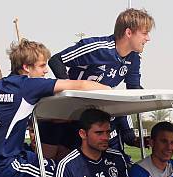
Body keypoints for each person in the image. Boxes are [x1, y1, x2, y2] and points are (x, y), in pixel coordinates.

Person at [0, 39, 108, 177]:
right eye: (42, 65)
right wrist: (111, 91)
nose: (46, 70)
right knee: (67, 171)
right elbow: (81, 85)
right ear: (26, 67)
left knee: (44, 159)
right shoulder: (28, 85)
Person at [44, 8, 154, 158]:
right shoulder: (98, 48)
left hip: (98, 113)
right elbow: (56, 61)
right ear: (129, 33)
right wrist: (71, 91)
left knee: (113, 158)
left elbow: (133, 89)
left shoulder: (134, 58)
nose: (148, 38)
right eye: (144, 33)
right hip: (73, 115)